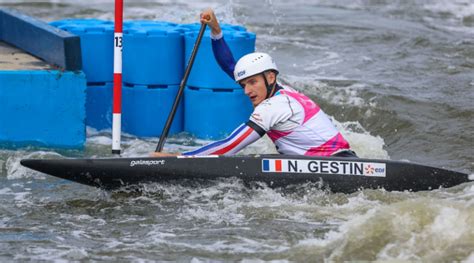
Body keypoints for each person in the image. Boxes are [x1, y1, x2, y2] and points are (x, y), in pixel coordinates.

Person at [152, 9, 357, 158]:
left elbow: (229, 146)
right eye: (243, 85)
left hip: (337, 166)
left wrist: (179, 158)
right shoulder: (279, 90)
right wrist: (216, 30)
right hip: (339, 160)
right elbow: (229, 64)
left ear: (269, 78)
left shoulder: (272, 107)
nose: (247, 91)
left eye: (252, 83)